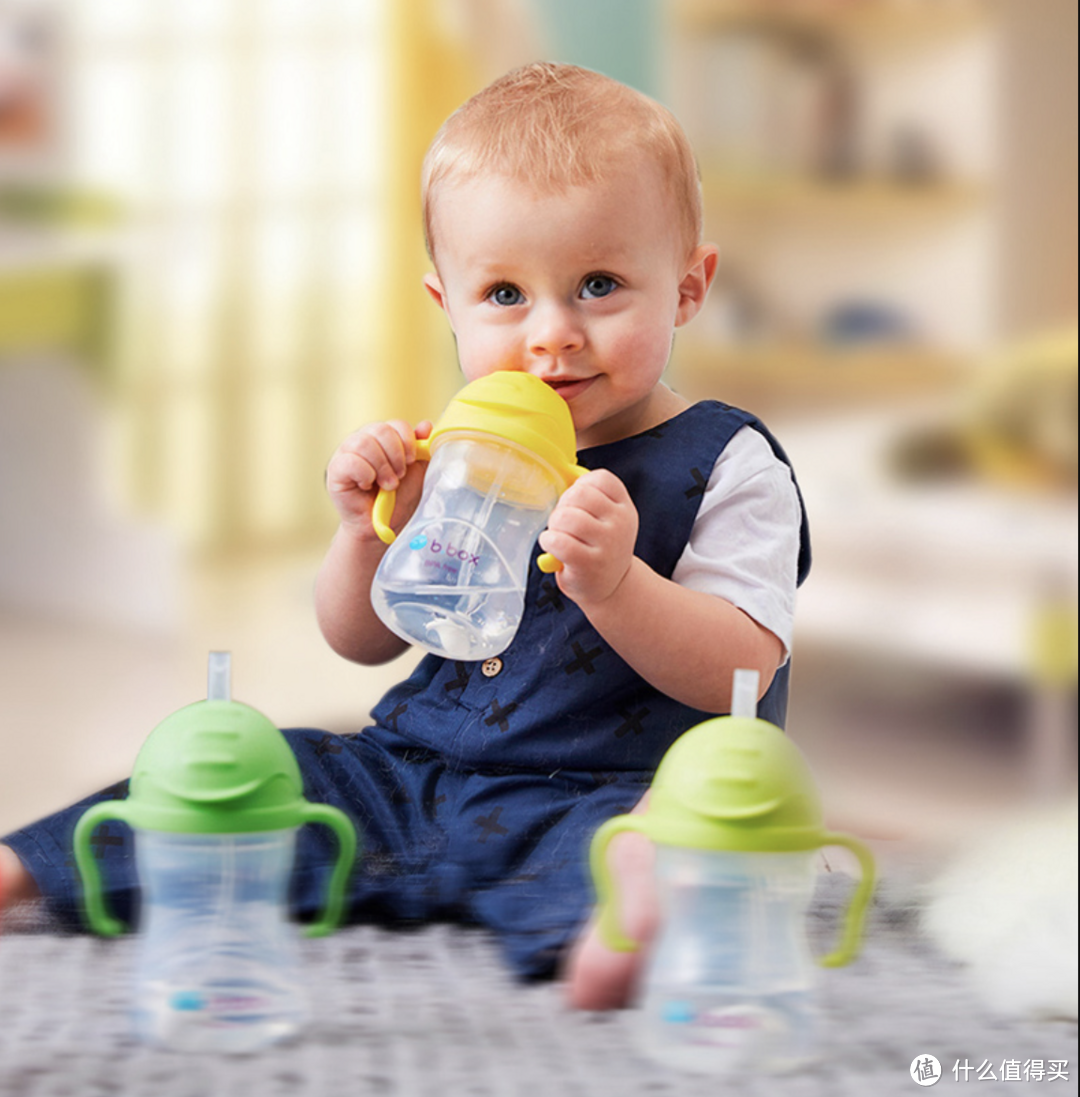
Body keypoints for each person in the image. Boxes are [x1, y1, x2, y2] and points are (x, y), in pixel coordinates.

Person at [0, 62, 808, 1011]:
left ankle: (630, 918)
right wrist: (362, 533)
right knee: (257, 765)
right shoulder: (464, 447)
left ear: (687, 286)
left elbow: (741, 673)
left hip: (588, 792)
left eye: (598, 284)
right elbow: (363, 638)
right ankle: (24, 868)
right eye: (505, 294)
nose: (551, 335)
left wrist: (618, 584)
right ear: (448, 307)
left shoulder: (729, 460)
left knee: (666, 826)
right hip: (411, 771)